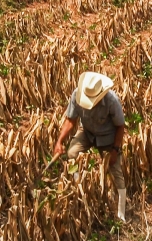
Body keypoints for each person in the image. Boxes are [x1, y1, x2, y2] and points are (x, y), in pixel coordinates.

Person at [54, 71, 127, 221]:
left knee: (115, 172)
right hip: (86, 132)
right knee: (72, 153)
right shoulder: (76, 95)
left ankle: (121, 213)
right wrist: (59, 141)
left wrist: (114, 150)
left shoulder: (112, 101)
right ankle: (78, 188)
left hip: (107, 137)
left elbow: (120, 127)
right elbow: (70, 120)